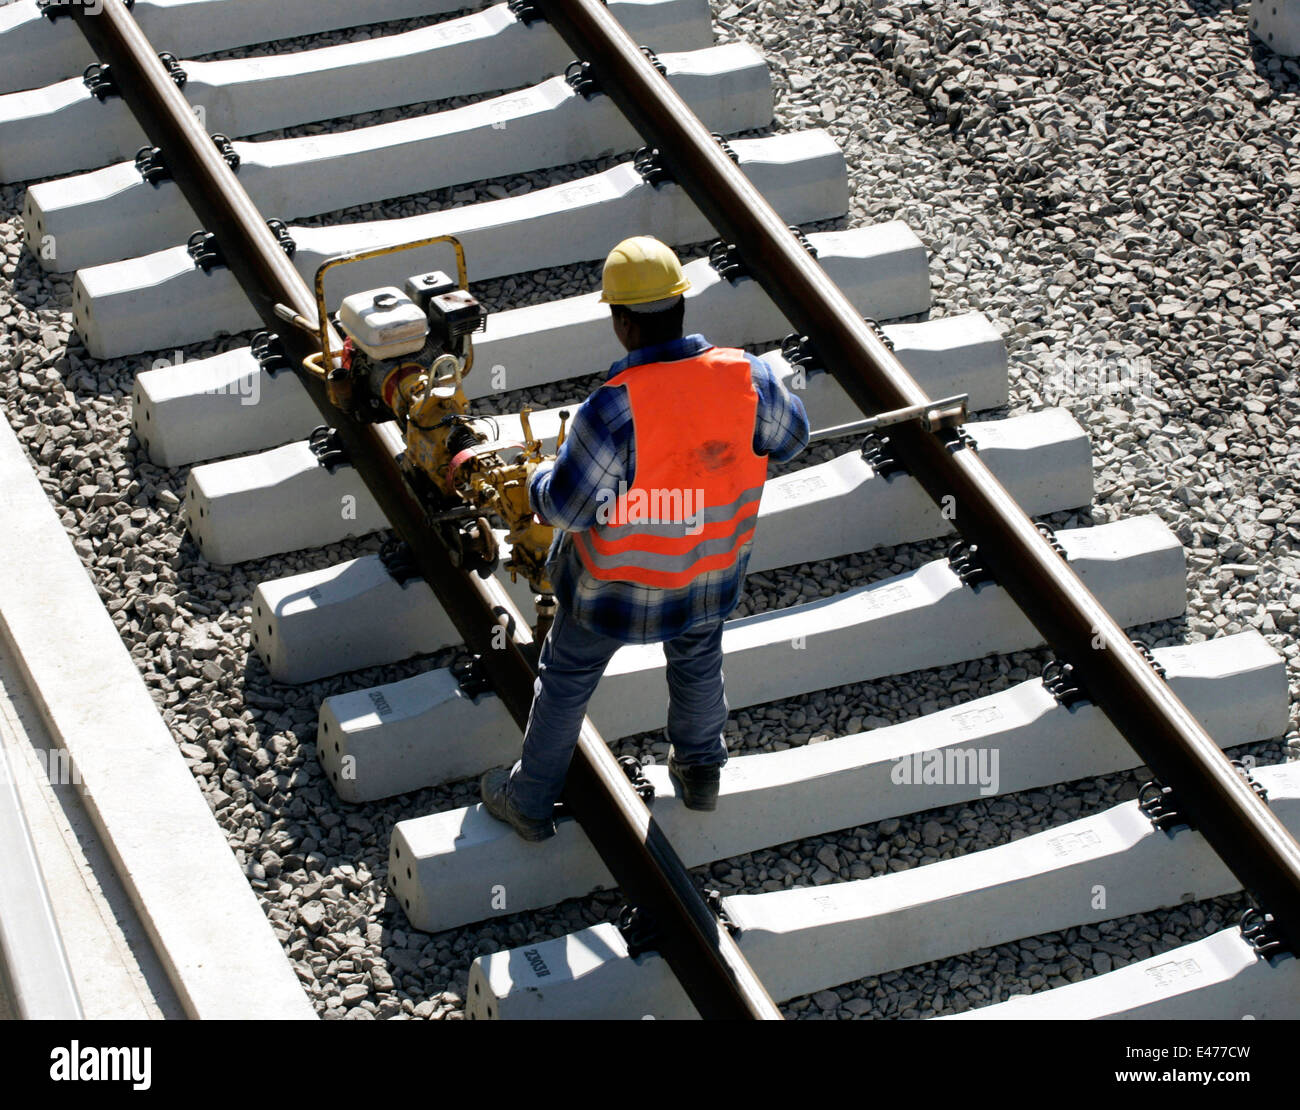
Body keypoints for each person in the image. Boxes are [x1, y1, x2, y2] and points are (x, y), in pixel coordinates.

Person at [479, 236, 809, 841]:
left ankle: (528, 800)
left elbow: (568, 508)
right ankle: (701, 771)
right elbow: (792, 438)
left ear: (623, 322)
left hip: (613, 589)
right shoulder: (749, 377)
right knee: (696, 660)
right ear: (680, 306)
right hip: (710, 572)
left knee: (565, 679)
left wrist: (536, 477)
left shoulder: (612, 409)